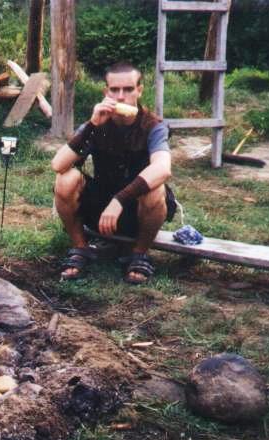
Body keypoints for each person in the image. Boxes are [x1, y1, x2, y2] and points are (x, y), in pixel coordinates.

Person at [51, 61, 175, 284]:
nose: (121, 97)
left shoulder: (153, 125)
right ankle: (80, 248)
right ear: (105, 92)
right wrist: (92, 125)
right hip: (100, 207)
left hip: (138, 210)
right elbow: (58, 164)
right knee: (65, 179)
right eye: (114, 90)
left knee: (156, 189)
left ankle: (139, 254)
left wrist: (120, 200)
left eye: (128, 89)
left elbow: (163, 168)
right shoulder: (97, 123)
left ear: (139, 90)